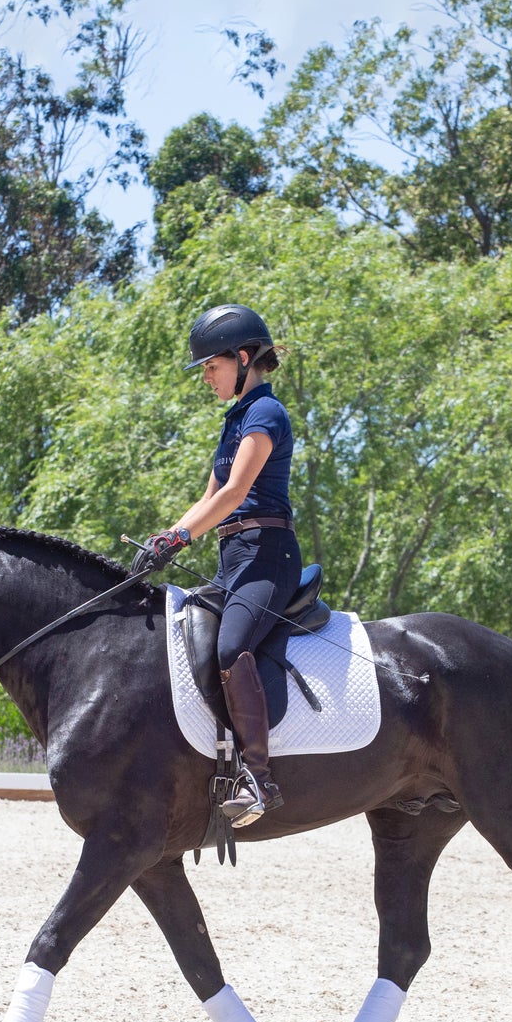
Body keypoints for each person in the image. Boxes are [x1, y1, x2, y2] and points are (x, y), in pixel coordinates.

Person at [132, 304, 302, 827]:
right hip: (234, 558)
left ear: (244, 358)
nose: (206, 375)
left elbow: (234, 494)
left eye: (212, 365)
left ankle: (258, 778)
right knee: (186, 636)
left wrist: (183, 536)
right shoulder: (234, 421)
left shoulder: (265, 415)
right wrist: (165, 539)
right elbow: (206, 499)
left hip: (268, 556)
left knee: (231, 646)